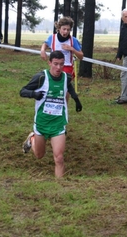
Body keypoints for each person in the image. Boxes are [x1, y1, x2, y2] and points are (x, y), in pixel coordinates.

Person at [20, 50, 83, 178]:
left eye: (61, 64)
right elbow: (22, 91)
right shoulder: (41, 77)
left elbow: (69, 86)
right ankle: (32, 139)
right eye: (55, 64)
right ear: (49, 63)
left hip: (58, 123)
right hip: (42, 123)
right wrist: (34, 94)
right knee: (39, 155)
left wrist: (76, 100)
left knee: (59, 158)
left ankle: (59, 189)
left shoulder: (66, 77)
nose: (58, 67)